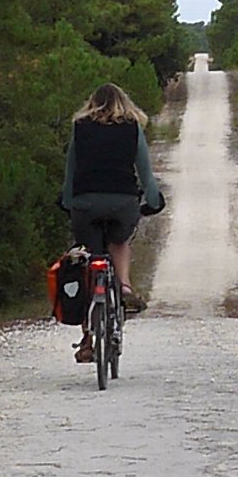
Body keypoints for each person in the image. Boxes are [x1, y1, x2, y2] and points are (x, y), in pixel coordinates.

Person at [61, 82, 164, 362]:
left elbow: (71, 171)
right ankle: (126, 288)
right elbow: (145, 172)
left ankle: (86, 340)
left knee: (87, 260)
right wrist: (154, 201)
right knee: (118, 240)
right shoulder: (132, 127)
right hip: (123, 203)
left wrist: (68, 202)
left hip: (85, 204)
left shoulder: (80, 127)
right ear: (124, 102)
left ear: (92, 103)